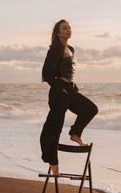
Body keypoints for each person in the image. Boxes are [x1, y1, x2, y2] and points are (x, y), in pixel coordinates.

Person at [40, 19, 98, 175]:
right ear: (58, 33)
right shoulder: (55, 49)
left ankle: (75, 133)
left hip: (70, 90)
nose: (68, 30)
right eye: (64, 28)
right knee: (55, 128)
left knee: (90, 109)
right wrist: (61, 87)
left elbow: (68, 71)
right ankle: (54, 163)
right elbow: (47, 74)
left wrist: (72, 86)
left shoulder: (71, 48)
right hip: (59, 93)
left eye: (69, 28)